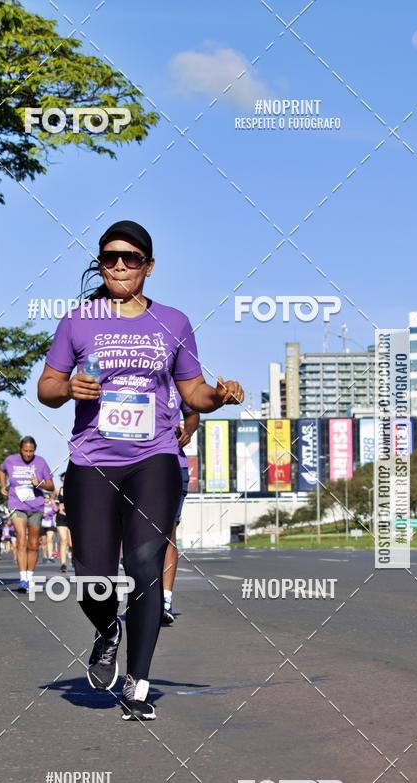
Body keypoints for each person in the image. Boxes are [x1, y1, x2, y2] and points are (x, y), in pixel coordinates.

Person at [38, 220, 243, 721]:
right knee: (93, 576)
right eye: (110, 257)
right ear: (100, 264)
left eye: (130, 258)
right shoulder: (78, 321)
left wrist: (218, 397)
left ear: (148, 266)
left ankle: (138, 684)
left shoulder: (173, 322)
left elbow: (193, 391)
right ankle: (108, 628)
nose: (120, 266)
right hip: (93, 460)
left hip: (155, 456)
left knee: (145, 564)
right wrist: (69, 388)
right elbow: (46, 387)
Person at [162, 388, 199, 624]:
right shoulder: (128, 375)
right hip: (132, 467)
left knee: (168, 533)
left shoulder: (179, 382)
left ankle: (165, 600)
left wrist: (188, 430)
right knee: (133, 534)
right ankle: (141, 598)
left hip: (174, 465)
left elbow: (193, 413)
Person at [0, 437, 54, 591]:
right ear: (20, 449)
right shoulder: (10, 460)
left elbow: (51, 486)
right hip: (17, 506)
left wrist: (39, 483)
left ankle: (30, 577)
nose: (28, 454)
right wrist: (2, 485)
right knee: (21, 539)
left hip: (36, 507)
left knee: (33, 544)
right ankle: (23, 579)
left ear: (35, 450)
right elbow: (1, 470)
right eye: (25, 451)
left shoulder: (41, 462)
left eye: (31, 451)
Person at [55, 471, 72, 573]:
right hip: (61, 517)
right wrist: (56, 507)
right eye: (63, 477)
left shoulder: (75, 489)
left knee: (71, 543)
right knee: (63, 540)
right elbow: (52, 500)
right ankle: (63, 564)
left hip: (72, 517)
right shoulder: (58, 490)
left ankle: (74, 559)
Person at [40, 492, 57, 562]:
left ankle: (50, 556)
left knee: (49, 540)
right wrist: (42, 514)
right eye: (44, 498)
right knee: (44, 541)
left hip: (50, 524)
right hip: (42, 524)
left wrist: (53, 501)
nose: (45, 499)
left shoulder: (52, 505)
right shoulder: (40, 506)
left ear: (49, 499)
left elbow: (56, 510)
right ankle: (45, 556)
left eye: (47, 498)